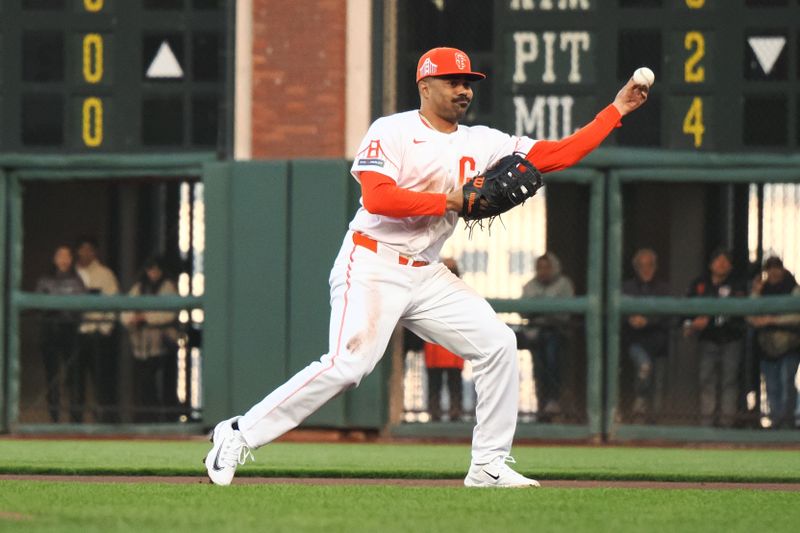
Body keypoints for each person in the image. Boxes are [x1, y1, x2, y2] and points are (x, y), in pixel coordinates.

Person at [204, 46, 648, 487]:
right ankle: (238, 433)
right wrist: (450, 199)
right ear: (425, 85)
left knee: (497, 344)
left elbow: (560, 154)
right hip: (372, 261)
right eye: (453, 81)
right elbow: (378, 197)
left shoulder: (484, 142)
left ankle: (489, 465)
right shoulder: (392, 130)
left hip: (427, 272)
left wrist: (616, 109)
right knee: (348, 366)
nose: (463, 90)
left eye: (468, 83)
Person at [683, 248, 747, 427]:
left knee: (729, 381)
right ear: (711, 264)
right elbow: (685, 309)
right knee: (706, 380)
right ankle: (707, 425)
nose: (722, 264)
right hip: (708, 340)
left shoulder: (738, 285)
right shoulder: (699, 283)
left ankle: (726, 424)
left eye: (726, 261)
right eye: (718, 260)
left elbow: (742, 311)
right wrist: (691, 324)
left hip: (731, 338)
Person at [121, 258, 180, 423]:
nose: (152, 273)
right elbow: (125, 310)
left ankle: (169, 418)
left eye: (155, 269)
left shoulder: (167, 286)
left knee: (166, 384)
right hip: (141, 346)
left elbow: (169, 313)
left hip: (163, 344)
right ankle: (148, 418)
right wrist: (132, 319)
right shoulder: (139, 286)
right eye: (149, 269)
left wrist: (145, 317)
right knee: (146, 384)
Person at [34, 245, 87, 422]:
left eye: (67, 256)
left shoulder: (77, 280)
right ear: (54, 259)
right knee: (52, 376)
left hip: (70, 331)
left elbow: (82, 304)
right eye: (60, 256)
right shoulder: (45, 280)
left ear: (71, 259)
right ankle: (54, 417)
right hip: (50, 331)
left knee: (73, 376)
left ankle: (75, 417)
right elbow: (39, 303)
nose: (63, 260)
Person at [519, 253, 574, 421]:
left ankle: (554, 400)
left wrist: (542, 309)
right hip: (535, 334)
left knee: (552, 360)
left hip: (557, 333)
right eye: (540, 267)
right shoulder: (530, 285)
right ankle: (542, 404)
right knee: (538, 369)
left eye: (547, 267)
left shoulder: (564, 284)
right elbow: (524, 311)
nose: (543, 271)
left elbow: (565, 313)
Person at [747, 256, 800, 429]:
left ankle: (789, 422)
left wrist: (772, 320)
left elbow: (796, 317)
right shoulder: (762, 290)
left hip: (789, 345)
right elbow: (750, 315)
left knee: (786, 384)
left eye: (776, 267)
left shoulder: (793, 288)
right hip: (766, 347)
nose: (773, 271)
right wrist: (756, 291)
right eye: (769, 268)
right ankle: (777, 423)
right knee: (771, 387)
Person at [622, 248, 671, 423]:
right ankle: (639, 409)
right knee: (644, 367)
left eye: (649, 265)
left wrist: (648, 321)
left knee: (658, 386)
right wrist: (630, 318)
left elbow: (667, 315)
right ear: (636, 268)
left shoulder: (664, 289)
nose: (646, 269)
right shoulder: (627, 288)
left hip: (659, 344)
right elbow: (620, 313)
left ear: (655, 267)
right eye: (641, 266)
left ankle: (654, 424)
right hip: (637, 342)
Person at [74, 237, 120, 423]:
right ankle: (75, 421)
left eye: (89, 249)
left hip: (97, 335)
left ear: (95, 252)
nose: (85, 253)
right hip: (75, 334)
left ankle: (104, 422)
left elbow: (114, 303)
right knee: (76, 382)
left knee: (101, 381)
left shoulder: (104, 273)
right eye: (82, 249)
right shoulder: (72, 272)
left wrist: (104, 329)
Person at [424, 258, 464, 422]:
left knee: (454, 384)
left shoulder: (461, 291)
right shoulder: (429, 290)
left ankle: (455, 412)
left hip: (453, 348)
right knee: (435, 384)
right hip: (435, 347)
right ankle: (435, 414)